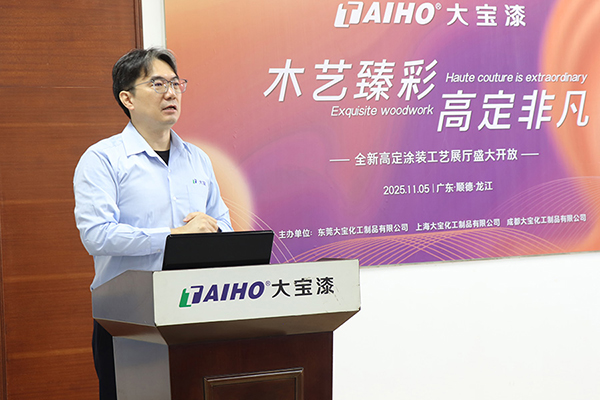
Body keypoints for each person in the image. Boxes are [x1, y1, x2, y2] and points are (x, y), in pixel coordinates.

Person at [73, 48, 233, 399]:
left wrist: (214, 230)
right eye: (157, 84)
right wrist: (175, 236)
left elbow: (222, 223)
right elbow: (98, 236)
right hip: (127, 316)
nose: (171, 93)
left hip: (196, 309)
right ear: (127, 98)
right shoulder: (103, 159)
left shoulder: (197, 159)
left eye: (176, 84)